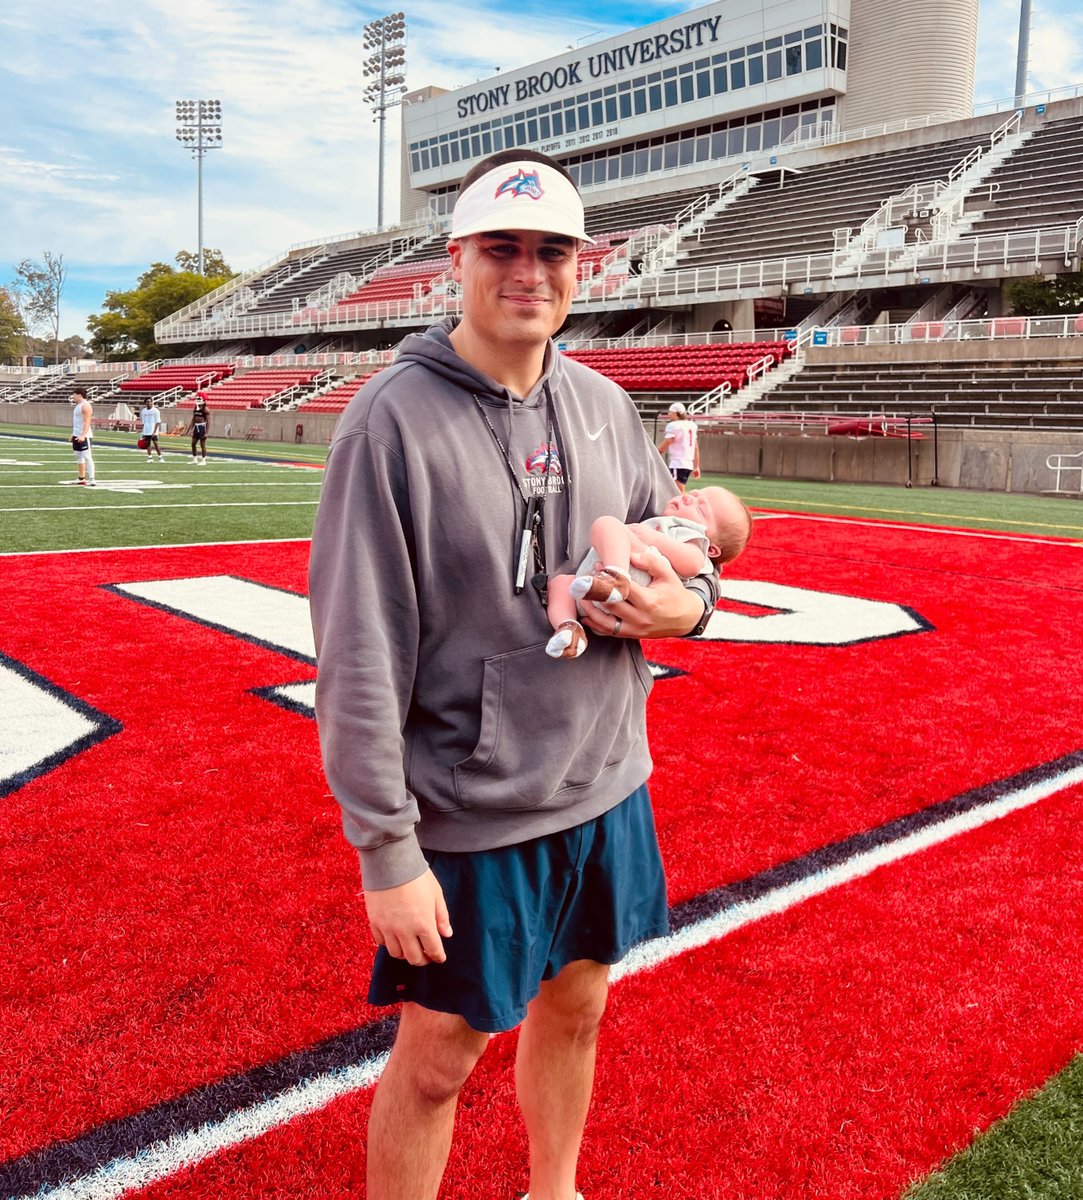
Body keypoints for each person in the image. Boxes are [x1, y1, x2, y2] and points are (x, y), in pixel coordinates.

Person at [309, 150, 721, 1200]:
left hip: (606, 782)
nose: (529, 272)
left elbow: (684, 550)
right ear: (457, 259)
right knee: (438, 1062)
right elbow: (358, 656)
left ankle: (555, 1190)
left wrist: (690, 610)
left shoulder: (607, 403)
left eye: (553, 251)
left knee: (578, 1007)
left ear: (583, 267)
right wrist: (385, 851)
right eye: (502, 248)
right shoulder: (388, 423)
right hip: (471, 809)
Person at [545, 485, 750, 659]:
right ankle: (569, 630)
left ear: (711, 550)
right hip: (589, 591)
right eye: (693, 494)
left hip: (635, 580)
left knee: (606, 524)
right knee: (560, 583)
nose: (688, 498)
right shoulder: (667, 522)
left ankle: (615, 578)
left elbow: (693, 564)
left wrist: (652, 537)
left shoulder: (691, 538)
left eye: (701, 508)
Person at [658, 400, 699, 491]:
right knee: (678, 491)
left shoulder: (674, 426)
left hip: (678, 463)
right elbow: (695, 447)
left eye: (670, 412)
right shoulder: (691, 425)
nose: (668, 414)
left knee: (677, 492)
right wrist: (696, 466)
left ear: (676, 413)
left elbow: (669, 440)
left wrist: (656, 453)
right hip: (688, 464)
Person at [69, 387, 95, 487]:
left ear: (79, 395)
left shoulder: (85, 406)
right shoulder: (78, 405)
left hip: (85, 436)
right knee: (79, 457)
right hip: (77, 435)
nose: (73, 397)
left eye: (74, 395)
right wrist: (73, 434)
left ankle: (92, 479)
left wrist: (83, 435)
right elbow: (77, 422)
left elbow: (87, 422)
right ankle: (81, 478)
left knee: (87, 457)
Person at [186, 392, 210, 464]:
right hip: (196, 427)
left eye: (199, 398)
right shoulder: (195, 407)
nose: (197, 400)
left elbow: (208, 421)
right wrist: (191, 429)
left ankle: (203, 460)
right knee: (193, 443)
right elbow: (193, 419)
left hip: (202, 427)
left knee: (202, 445)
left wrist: (206, 432)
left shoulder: (205, 409)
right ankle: (195, 459)